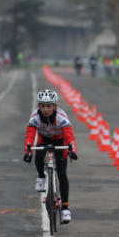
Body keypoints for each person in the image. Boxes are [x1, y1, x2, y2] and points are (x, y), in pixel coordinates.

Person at [23, 89, 78, 224]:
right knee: (39, 154)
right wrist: (27, 151)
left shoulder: (61, 116)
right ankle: (41, 176)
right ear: (39, 106)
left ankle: (65, 208)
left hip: (60, 140)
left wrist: (72, 150)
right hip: (45, 138)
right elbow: (29, 136)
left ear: (55, 106)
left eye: (49, 106)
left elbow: (69, 136)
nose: (45, 109)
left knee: (62, 173)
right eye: (42, 106)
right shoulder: (35, 116)